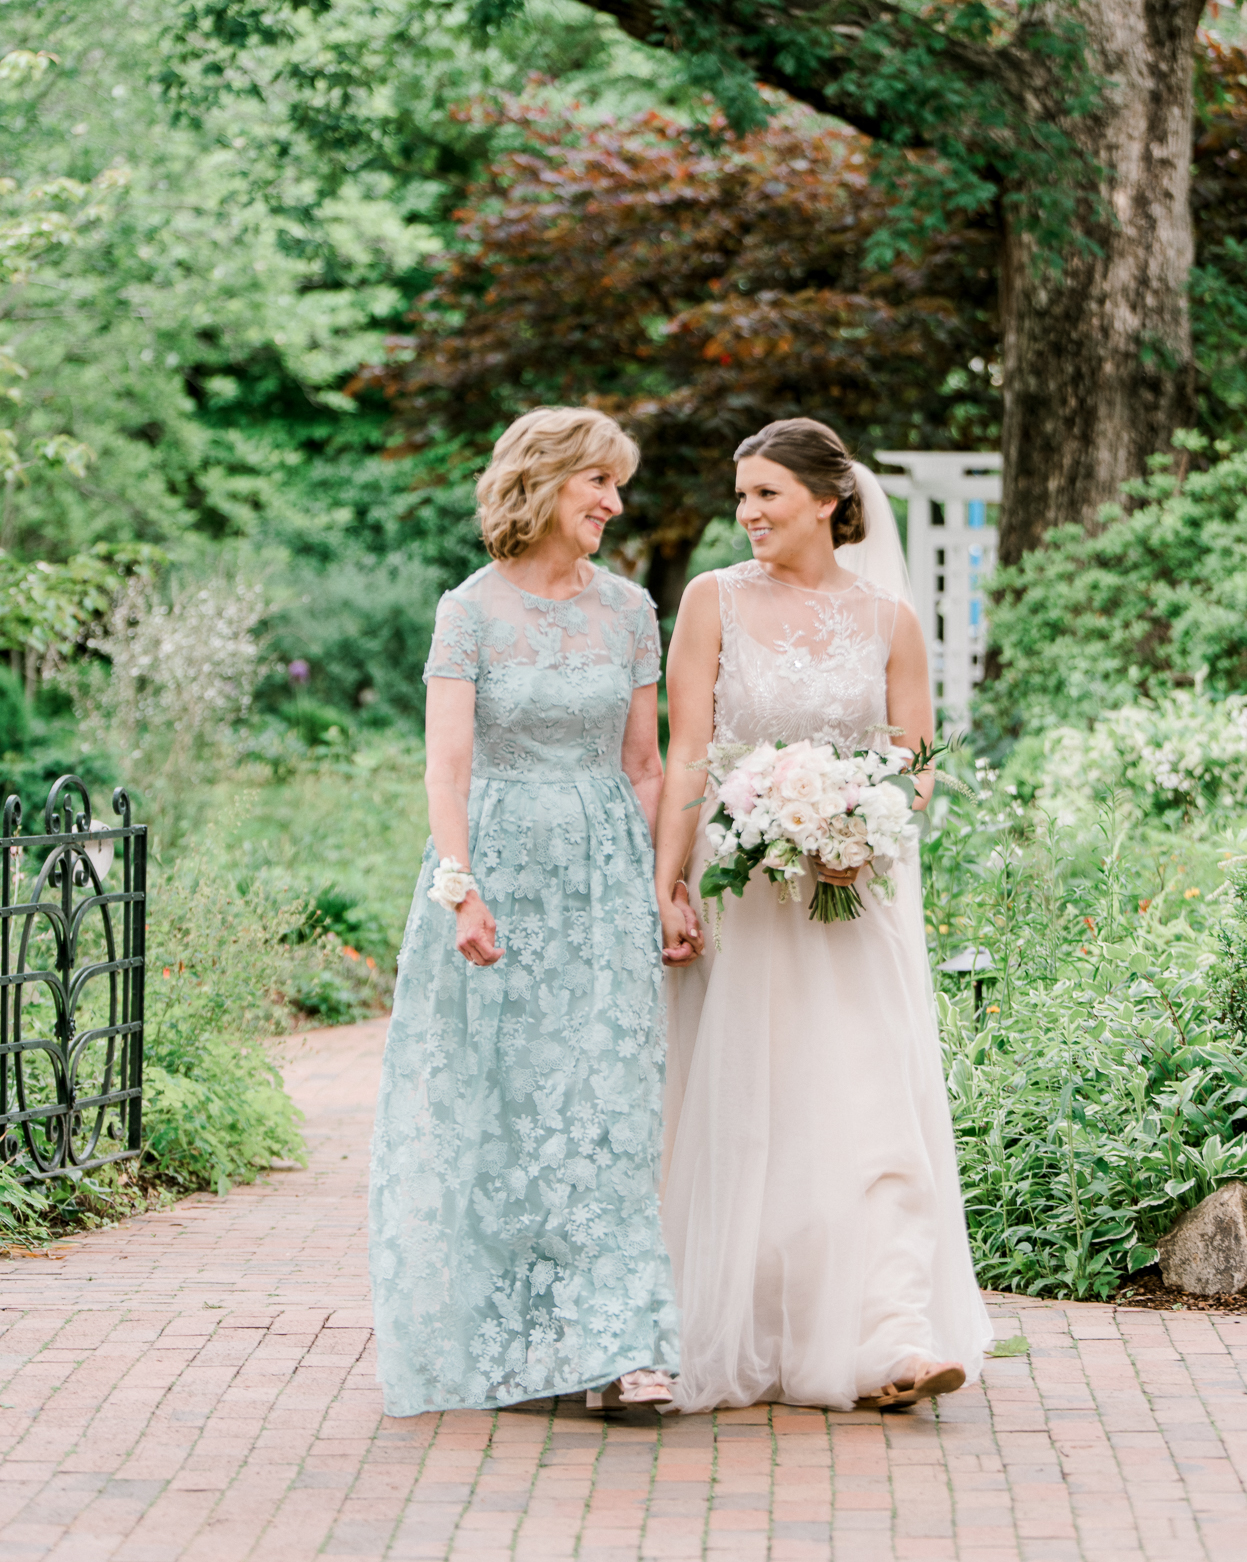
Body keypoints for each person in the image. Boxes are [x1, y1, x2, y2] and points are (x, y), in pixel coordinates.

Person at [655, 417, 993, 1412]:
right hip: (747, 900)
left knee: (868, 1099)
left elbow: (912, 765)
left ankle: (890, 1333)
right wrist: (668, 883)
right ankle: (760, 1324)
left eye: (764, 492)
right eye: (740, 494)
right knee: (758, 1108)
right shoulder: (711, 599)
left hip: (852, 900)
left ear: (826, 500)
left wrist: (854, 825)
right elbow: (686, 755)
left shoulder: (889, 619)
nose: (746, 511)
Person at [368, 405, 683, 1416]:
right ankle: (519, 1338)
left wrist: (665, 886)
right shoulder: (469, 610)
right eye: (597, 481)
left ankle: (621, 1346)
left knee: (606, 1111)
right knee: (502, 1109)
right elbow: (444, 763)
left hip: (602, 872)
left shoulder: (632, 608)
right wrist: (458, 884)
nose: (613, 503)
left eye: (616, 485)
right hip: (496, 875)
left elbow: (645, 762)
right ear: (542, 481)